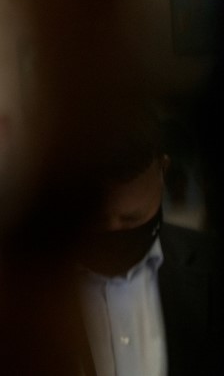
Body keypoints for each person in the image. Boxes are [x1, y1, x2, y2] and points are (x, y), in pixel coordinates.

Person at [75, 104, 223, 376]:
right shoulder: (24, 287)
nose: (115, 231)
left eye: (132, 219)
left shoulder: (213, 265)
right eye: (97, 220)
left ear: (163, 171)